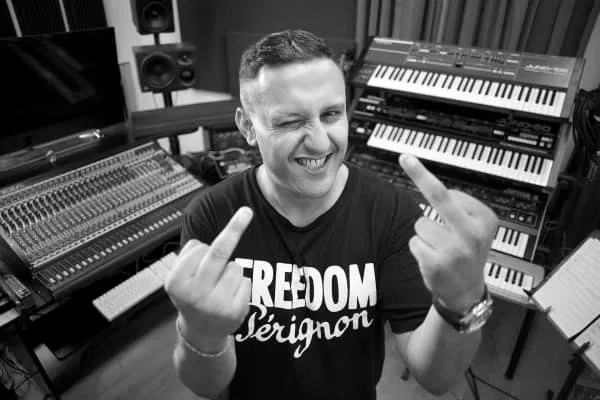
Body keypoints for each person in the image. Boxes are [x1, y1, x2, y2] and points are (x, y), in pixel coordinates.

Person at [164, 29, 499, 400]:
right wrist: (202, 334)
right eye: (290, 122)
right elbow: (207, 386)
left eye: (331, 114)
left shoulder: (391, 213)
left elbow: (436, 379)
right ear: (247, 127)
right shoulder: (212, 216)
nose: (321, 142)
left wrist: (463, 300)